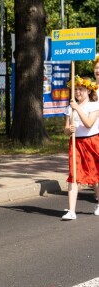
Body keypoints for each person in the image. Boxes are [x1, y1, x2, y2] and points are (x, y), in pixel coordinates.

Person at [61, 76, 99, 220]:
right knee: (74, 176)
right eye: (75, 89)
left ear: (88, 90)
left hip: (92, 142)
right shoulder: (69, 108)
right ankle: (71, 211)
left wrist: (77, 109)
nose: (77, 92)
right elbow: (65, 130)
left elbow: (88, 123)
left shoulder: (94, 106)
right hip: (76, 143)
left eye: (81, 89)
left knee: (94, 177)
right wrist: (68, 130)